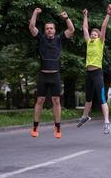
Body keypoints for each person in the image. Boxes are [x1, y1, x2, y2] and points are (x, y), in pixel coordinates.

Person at [29, 8, 74, 138]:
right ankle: (35, 127)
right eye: (47, 28)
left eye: (51, 28)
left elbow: (71, 30)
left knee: (56, 101)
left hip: (55, 75)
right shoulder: (41, 38)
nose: (49, 30)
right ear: (45, 30)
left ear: (54, 30)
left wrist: (66, 18)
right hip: (43, 75)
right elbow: (31, 26)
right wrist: (35, 13)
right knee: (40, 100)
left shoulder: (59, 39)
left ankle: (58, 127)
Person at [77, 4, 111, 134]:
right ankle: (85, 116)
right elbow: (84, 28)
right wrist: (85, 15)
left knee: (102, 98)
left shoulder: (100, 42)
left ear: (99, 37)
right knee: (88, 98)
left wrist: (108, 14)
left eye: (95, 34)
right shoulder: (89, 42)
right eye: (92, 34)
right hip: (89, 73)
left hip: (97, 72)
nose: (92, 35)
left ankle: (107, 122)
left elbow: (103, 27)